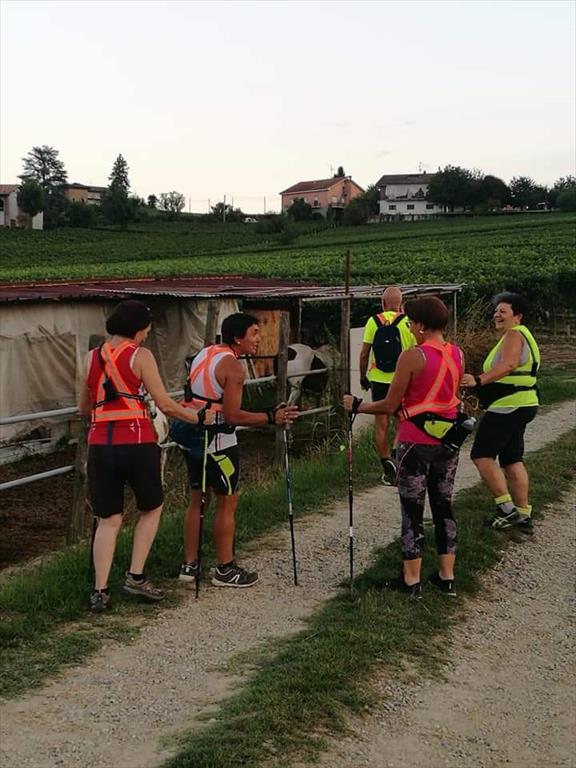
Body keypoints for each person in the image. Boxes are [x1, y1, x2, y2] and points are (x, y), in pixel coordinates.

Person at [79, 300, 214, 613]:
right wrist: (197, 417)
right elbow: (164, 403)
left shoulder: (90, 358)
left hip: (100, 445)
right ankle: (135, 576)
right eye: (147, 329)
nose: (147, 334)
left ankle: (100, 591)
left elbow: (84, 408)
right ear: (138, 329)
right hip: (138, 442)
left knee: (108, 519)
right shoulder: (141, 356)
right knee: (151, 508)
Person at [345, 296, 464, 598]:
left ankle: (411, 581)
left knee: (412, 509)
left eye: (411, 323)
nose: (409, 328)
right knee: (443, 505)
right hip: (448, 441)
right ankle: (447, 576)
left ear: (421, 325)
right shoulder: (457, 353)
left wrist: (357, 406)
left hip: (415, 441)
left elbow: (389, 404)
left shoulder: (412, 357)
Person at [179, 312, 299, 588]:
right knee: (228, 501)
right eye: (254, 333)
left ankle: (190, 564)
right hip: (219, 440)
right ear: (237, 337)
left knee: (198, 499)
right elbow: (232, 415)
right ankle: (225, 568)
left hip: (192, 434)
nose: (259, 338)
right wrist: (271, 417)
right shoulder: (233, 367)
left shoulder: (205, 353)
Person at [461, 292, 540, 534]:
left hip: (508, 405)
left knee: (481, 455)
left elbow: (509, 365)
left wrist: (478, 380)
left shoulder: (514, 335)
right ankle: (523, 514)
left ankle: (506, 509)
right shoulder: (523, 334)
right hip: (524, 403)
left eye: (503, 311)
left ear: (517, 316)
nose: (497, 314)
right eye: (496, 311)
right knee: (512, 458)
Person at [359, 286, 415, 485]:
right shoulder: (408, 323)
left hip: (378, 380)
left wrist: (363, 377)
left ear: (382, 303)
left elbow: (364, 353)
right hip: (402, 380)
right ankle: (397, 456)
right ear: (401, 304)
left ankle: (386, 464)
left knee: (381, 424)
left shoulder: (373, 322)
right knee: (403, 420)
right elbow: (416, 351)